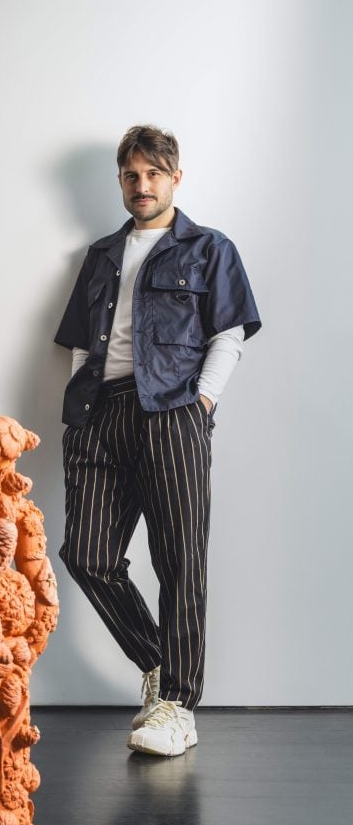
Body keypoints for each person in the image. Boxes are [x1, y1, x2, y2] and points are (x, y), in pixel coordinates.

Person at [54, 125, 261, 756]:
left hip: (172, 413)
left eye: (152, 174)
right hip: (99, 414)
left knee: (179, 559)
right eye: (130, 176)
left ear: (175, 177)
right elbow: (85, 345)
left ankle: (178, 705)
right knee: (86, 554)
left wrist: (201, 403)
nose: (141, 186)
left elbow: (228, 333)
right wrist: (79, 412)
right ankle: (159, 671)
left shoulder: (208, 248)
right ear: (121, 181)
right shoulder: (99, 255)